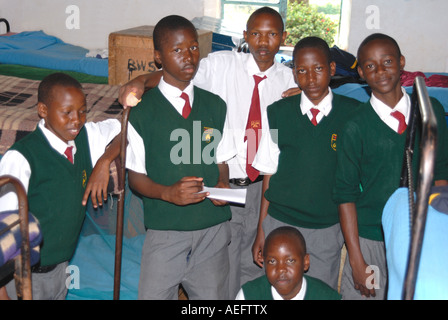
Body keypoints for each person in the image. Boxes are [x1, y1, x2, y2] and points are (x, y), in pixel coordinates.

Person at [119, 7, 298, 298]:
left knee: (253, 267)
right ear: (245, 36)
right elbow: (170, 78)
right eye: (255, 34)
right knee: (218, 280)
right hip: (211, 205)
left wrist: (306, 92)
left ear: (284, 37)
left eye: (272, 34)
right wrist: (139, 82)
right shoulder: (220, 65)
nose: (263, 42)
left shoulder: (291, 81)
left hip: (262, 188)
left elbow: (221, 156)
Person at [125, 15, 235, 300]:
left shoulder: (216, 105)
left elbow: (221, 160)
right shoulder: (141, 113)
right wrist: (168, 193)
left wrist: (223, 183)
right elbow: (135, 177)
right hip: (166, 230)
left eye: (193, 47)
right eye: (177, 50)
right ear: (158, 57)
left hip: (212, 229)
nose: (189, 57)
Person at [332, 33, 448, 300]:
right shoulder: (355, 126)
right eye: (370, 66)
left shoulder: (431, 112)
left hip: (421, 233)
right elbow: (345, 195)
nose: (380, 71)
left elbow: (441, 173)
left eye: (387, 62)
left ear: (401, 62)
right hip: (372, 239)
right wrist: (357, 260)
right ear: (361, 72)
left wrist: (439, 230)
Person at [0, 72, 122, 300]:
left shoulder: (87, 137)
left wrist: (104, 161)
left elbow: (126, 126)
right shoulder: (22, 158)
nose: (77, 120)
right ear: (43, 111)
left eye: (83, 111)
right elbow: (2, 231)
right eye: (66, 113)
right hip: (23, 277)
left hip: (60, 269)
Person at [251, 36, 360, 291]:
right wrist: (261, 230)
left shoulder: (353, 113)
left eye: (318, 69)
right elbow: (269, 174)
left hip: (326, 228)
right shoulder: (278, 112)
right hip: (279, 223)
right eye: (302, 70)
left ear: (332, 69)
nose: (310, 78)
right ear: (293, 72)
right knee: (278, 290)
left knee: (320, 292)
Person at [236, 226, 341, 300]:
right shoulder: (249, 296)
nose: (281, 269)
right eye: (272, 261)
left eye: (290, 261)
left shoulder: (326, 297)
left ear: (305, 262)